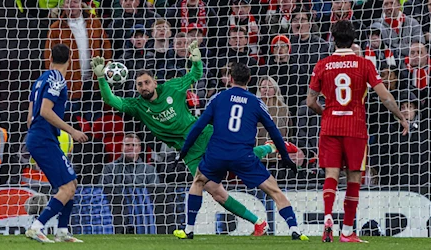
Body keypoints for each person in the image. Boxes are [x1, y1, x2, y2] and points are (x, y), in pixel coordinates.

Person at [90, 41, 279, 237]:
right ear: (136, 88)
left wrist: (196, 60)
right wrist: (101, 78)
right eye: (139, 85)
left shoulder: (173, 87)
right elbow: (110, 100)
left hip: (204, 135)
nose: (144, 87)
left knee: (238, 161)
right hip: (188, 151)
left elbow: (195, 75)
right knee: (216, 192)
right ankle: (259, 223)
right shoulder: (137, 106)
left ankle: (267, 148)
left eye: (147, 82)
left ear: (155, 82)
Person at [173, 62, 308, 240]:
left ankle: (189, 229)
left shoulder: (218, 98)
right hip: (243, 156)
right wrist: (285, 157)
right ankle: (295, 230)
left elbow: (198, 126)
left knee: (198, 181)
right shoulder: (256, 102)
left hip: (217, 154)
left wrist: (183, 152)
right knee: (275, 191)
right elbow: (274, 131)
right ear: (249, 80)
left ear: (230, 79)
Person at [306, 20, 408, 243]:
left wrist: (325, 112)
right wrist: (401, 117)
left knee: (331, 175)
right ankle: (347, 231)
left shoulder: (322, 65)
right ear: (353, 40)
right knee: (354, 177)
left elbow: (310, 101)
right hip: (355, 128)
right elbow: (385, 97)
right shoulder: (364, 65)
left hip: (330, 126)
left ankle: (327, 218)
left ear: (333, 39)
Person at [25, 44, 88, 243]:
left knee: (71, 184)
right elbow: (45, 110)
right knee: (66, 188)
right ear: (71, 59)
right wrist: (72, 131)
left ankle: (62, 231)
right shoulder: (57, 79)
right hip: (43, 138)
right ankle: (36, 227)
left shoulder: (40, 79)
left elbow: (30, 117)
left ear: (50, 58)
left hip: (39, 138)